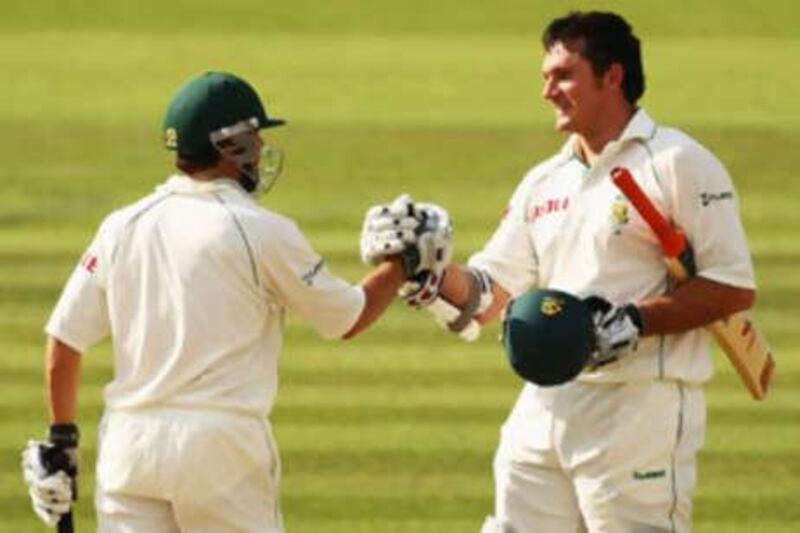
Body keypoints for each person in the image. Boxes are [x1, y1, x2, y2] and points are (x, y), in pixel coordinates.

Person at [21, 71, 449, 532]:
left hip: (130, 445)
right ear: (231, 147)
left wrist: (61, 441)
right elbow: (347, 317)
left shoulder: (121, 227)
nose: (262, 148)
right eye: (255, 136)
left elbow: (63, 342)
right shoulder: (259, 229)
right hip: (220, 449)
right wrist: (404, 261)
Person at [398, 11, 756, 532]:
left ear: (612, 76)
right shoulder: (545, 180)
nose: (548, 91)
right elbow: (490, 294)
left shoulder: (677, 161)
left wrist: (632, 320)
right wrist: (426, 270)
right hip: (545, 404)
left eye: (563, 75)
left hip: (638, 407)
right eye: (545, 77)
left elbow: (731, 287)